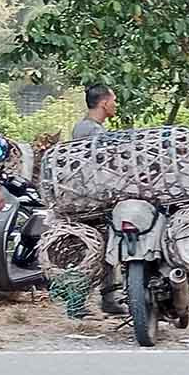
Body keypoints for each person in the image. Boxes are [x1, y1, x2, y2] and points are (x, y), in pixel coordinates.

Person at [71, 85, 126, 314]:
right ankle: (77, 303)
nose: (115, 104)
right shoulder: (92, 131)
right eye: (113, 100)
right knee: (90, 250)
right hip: (90, 200)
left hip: (94, 197)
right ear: (104, 103)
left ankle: (109, 299)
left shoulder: (88, 127)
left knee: (104, 247)